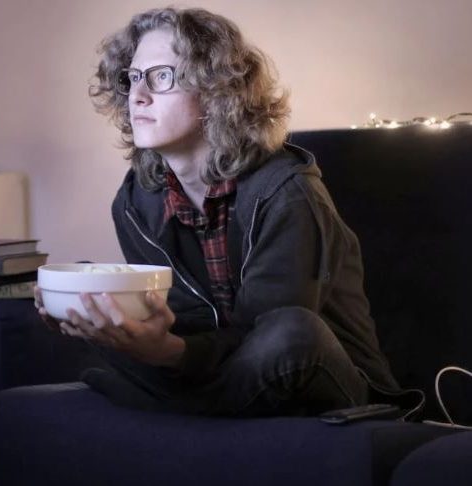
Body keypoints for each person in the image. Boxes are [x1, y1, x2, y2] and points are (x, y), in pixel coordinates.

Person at [34, 7, 408, 417]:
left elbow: (262, 339)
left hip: (326, 380)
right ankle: (192, 404)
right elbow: (182, 324)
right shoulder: (135, 203)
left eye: (161, 76)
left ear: (216, 93)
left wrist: (169, 353)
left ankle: (176, 406)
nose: (137, 95)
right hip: (213, 371)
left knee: (292, 333)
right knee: (90, 291)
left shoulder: (288, 194)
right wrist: (115, 324)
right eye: (133, 77)